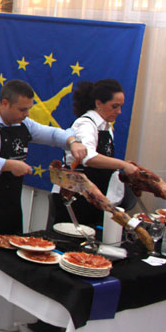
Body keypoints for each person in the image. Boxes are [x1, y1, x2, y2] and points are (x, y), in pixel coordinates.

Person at [0, 80, 87, 242]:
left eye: (28, 109)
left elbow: (52, 134)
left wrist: (72, 141)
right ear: (5, 104)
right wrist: (8, 165)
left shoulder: (24, 124)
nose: (27, 114)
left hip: (11, 201)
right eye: (22, 109)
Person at [55, 79, 137, 228]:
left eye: (120, 107)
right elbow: (88, 157)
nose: (119, 112)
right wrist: (123, 164)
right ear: (98, 103)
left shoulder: (106, 127)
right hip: (77, 200)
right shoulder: (85, 125)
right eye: (115, 106)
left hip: (95, 199)